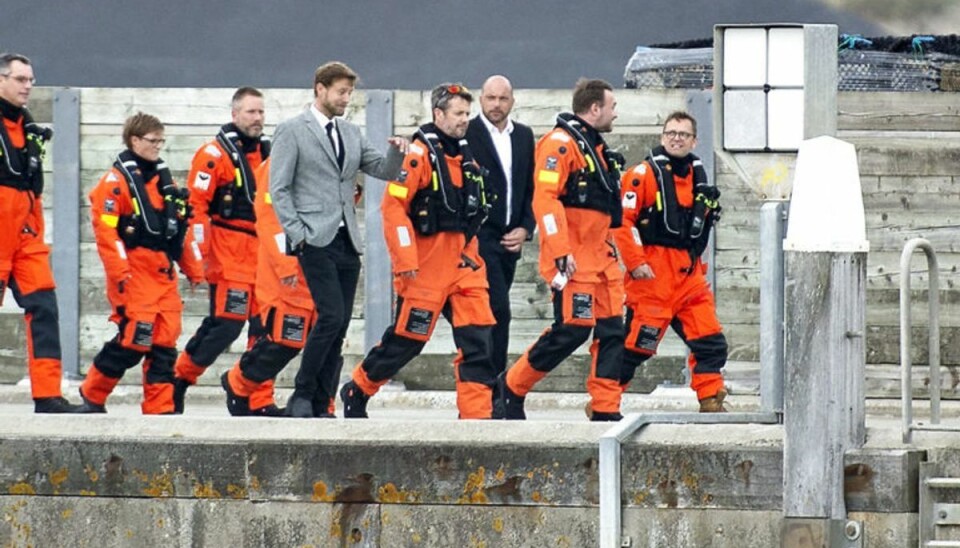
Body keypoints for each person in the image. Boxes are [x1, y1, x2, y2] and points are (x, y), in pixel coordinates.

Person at [339, 83, 497, 420]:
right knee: (407, 341)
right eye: (459, 113)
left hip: (464, 266)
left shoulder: (465, 156)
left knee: (479, 342)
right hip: (424, 267)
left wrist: (470, 256)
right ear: (438, 114)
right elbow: (393, 208)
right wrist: (406, 259)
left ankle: (477, 419)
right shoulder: (417, 156)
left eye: (468, 113)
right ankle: (358, 388)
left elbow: (470, 216)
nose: (465, 120)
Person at [270, 61, 407, 417]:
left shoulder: (350, 133)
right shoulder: (291, 130)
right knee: (330, 316)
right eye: (341, 92)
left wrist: (397, 150)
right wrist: (298, 235)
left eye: (350, 92)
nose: (347, 99)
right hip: (314, 238)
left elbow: (386, 171)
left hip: (348, 240)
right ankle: (301, 395)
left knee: (340, 323)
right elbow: (279, 189)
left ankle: (321, 401)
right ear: (320, 89)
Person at [497, 79, 626, 421]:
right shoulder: (560, 144)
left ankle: (605, 408)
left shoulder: (594, 148)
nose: (615, 113)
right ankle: (511, 387)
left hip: (602, 260)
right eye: (612, 106)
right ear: (595, 108)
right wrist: (559, 250)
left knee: (613, 332)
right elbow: (545, 199)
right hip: (574, 260)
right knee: (573, 329)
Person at [79, 112, 204, 414]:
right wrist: (119, 271)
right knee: (134, 339)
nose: (158, 146)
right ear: (134, 140)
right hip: (133, 273)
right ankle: (93, 394)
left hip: (162, 274)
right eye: (153, 141)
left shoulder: (165, 183)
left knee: (164, 344)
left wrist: (194, 270)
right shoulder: (115, 183)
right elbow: (106, 232)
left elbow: (181, 232)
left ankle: (160, 408)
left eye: (161, 141)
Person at [614, 111, 728, 412]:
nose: (677, 138)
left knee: (710, 341)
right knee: (637, 346)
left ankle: (710, 398)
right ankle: (604, 400)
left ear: (694, 140)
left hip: (688, 276)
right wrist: (636, 262)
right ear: (663, 137)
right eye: (671, 133)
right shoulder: (641, 175)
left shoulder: (697, 178)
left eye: (683, 134)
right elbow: (623, 222)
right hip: (653, 274)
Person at [172, 87, 271, 413]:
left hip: (263, 255)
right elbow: (195, 208)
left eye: (260, 112)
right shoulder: (214, 155)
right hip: (228, 254)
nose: (257, 119)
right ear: (234, 114)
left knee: (266, 328)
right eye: (250, 112)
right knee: (227, 324)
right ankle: (179, 378)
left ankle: (257, 398)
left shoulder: (269, 154)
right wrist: (198, 256)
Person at [0, 53, 87, 413]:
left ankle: (48, 394)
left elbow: (28, 188)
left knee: (45, 308)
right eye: (21, 79)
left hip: (24, 236)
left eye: (31, 80)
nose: (28, 86)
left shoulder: (26, 125)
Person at [220, 158, 318, 417]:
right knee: (285, 339)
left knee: (321, 338)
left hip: (315, 264)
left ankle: (320, 405)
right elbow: (269, 220)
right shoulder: (277, 166)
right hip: (282, 273)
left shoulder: (322, 160)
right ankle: (238, 382)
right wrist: (286, 266)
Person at [465, 75, 535, 377]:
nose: (496, 104)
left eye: (502, 98)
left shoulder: (523, 136)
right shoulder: (467, 133)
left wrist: (526, 228)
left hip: (511, 239)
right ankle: (490, 384)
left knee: (496, 310)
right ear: (481, 99)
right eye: (490, 98)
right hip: (480, 238)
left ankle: (490, 384)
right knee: (497, 310)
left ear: (512, 101)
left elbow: (531, 187)